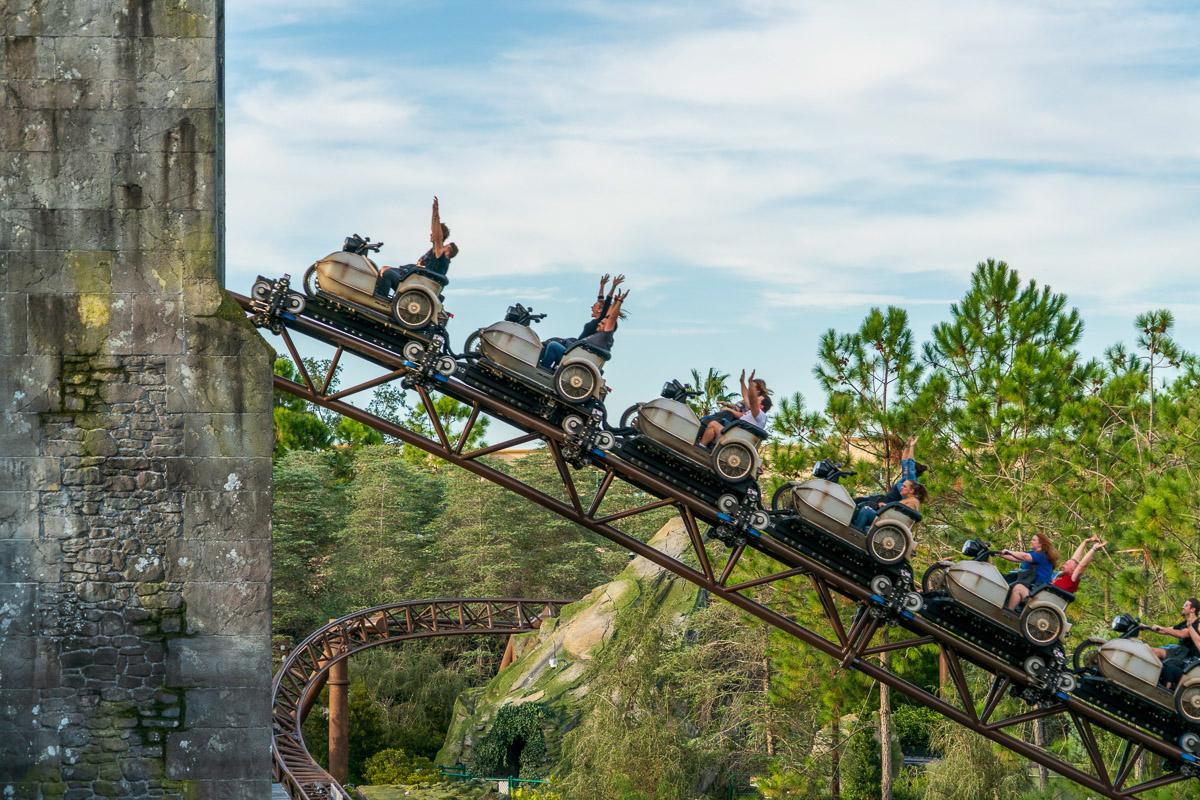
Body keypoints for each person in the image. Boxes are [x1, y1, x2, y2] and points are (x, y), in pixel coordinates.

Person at [375, 197, 459, 298]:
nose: (431, 234)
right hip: (412, 278)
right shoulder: (434, 254)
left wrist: (435, 213)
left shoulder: (440, 256)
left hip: (417, 284)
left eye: (446, 247)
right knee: (383, 269)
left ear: (448, 252)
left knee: (387, 273)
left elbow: (438, 236)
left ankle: (380, 299)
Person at [539, 274, 624, 369]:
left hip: (581, 350)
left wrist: (614, 290)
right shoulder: (599, 322)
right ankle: (541, 355)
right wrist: (602, 286)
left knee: (553, 343)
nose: (592, 307)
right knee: (558, 340)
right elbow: (601, 300)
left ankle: (542, 365)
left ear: (600, 311)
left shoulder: (601, 323)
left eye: (594, 306)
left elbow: (607, 306)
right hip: (578, 345)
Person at [1006, 535, 1104, 611]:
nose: (1064, 563)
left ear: (1074, 570)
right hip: (1040, 597)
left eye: (1068, 563)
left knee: (1018, 588)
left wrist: (1093, 549)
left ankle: (1008, 613)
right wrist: (1085, 542)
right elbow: (1075, 558)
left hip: (1044, 601)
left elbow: (1082, 565)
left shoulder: (1072, 579)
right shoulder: (1060, 576)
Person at [697, 370, 772, 448]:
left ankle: (699, 443)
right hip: (735, 433)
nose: (755, 400)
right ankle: (701, 446)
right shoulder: (753, 414)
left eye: (758, 400)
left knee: (713, 423)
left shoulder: (760, 415)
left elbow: (752, 402)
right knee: (712, 428)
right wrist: (742, 382)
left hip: (736, 436)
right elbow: (747, 397)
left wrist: (750, 383)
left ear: (762, 406)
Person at [997, 533, 1058, 611]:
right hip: (1033, 589)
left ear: (1041, 544)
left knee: (1018, 588)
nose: (1031, 541)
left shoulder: (1042, 555)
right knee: (1006, 579)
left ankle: (1007, 613)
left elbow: (1024, 556)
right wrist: (999, 554)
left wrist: (1009, 551)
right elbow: (1016, 558)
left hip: (1037, 592)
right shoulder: (1034, 554)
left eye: (1034, 540)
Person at [1149, 599, 1200, 688]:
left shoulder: (1197, 623)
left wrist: (1163, 628)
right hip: (1178, 650)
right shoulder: (1185, 622)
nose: (1182, 607)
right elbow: (1168, 630)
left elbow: (1182, 634)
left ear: (1193, 609)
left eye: (1186, 605)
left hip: (1184, 655)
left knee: (1155, 652)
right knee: (1148, 649)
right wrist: (1148, 627)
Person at [850, 477, 926, 532]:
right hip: (887, 520)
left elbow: (901, 518)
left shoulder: (913, 502)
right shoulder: (909, 500)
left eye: (904, 486)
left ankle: (854, 534)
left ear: (911, 490)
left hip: (888, 523)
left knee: (866, 510)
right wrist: (886, 506)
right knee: (863, 504)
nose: (901, 487)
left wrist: (887, 507)